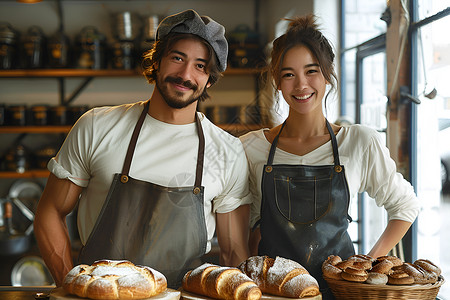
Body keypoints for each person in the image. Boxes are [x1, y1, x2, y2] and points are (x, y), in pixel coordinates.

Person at [34, 9, 251, 289]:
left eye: (200, 66)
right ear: (157, 61)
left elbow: (234, 253)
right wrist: (68, 286)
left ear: (209, 80)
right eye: (177, 58)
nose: (185, 74)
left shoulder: (228, 151)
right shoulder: (96, 127)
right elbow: (50, 211)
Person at [239, 14, 419, 299]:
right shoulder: (251, 148)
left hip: (338, 293)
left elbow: (405, 206)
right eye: (288, 74)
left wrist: (369, 265)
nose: (301, 85)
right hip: (273, 294)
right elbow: (249, 226)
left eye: (311, 71)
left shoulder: (359, 141)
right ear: (276, 80)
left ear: (328, 72)